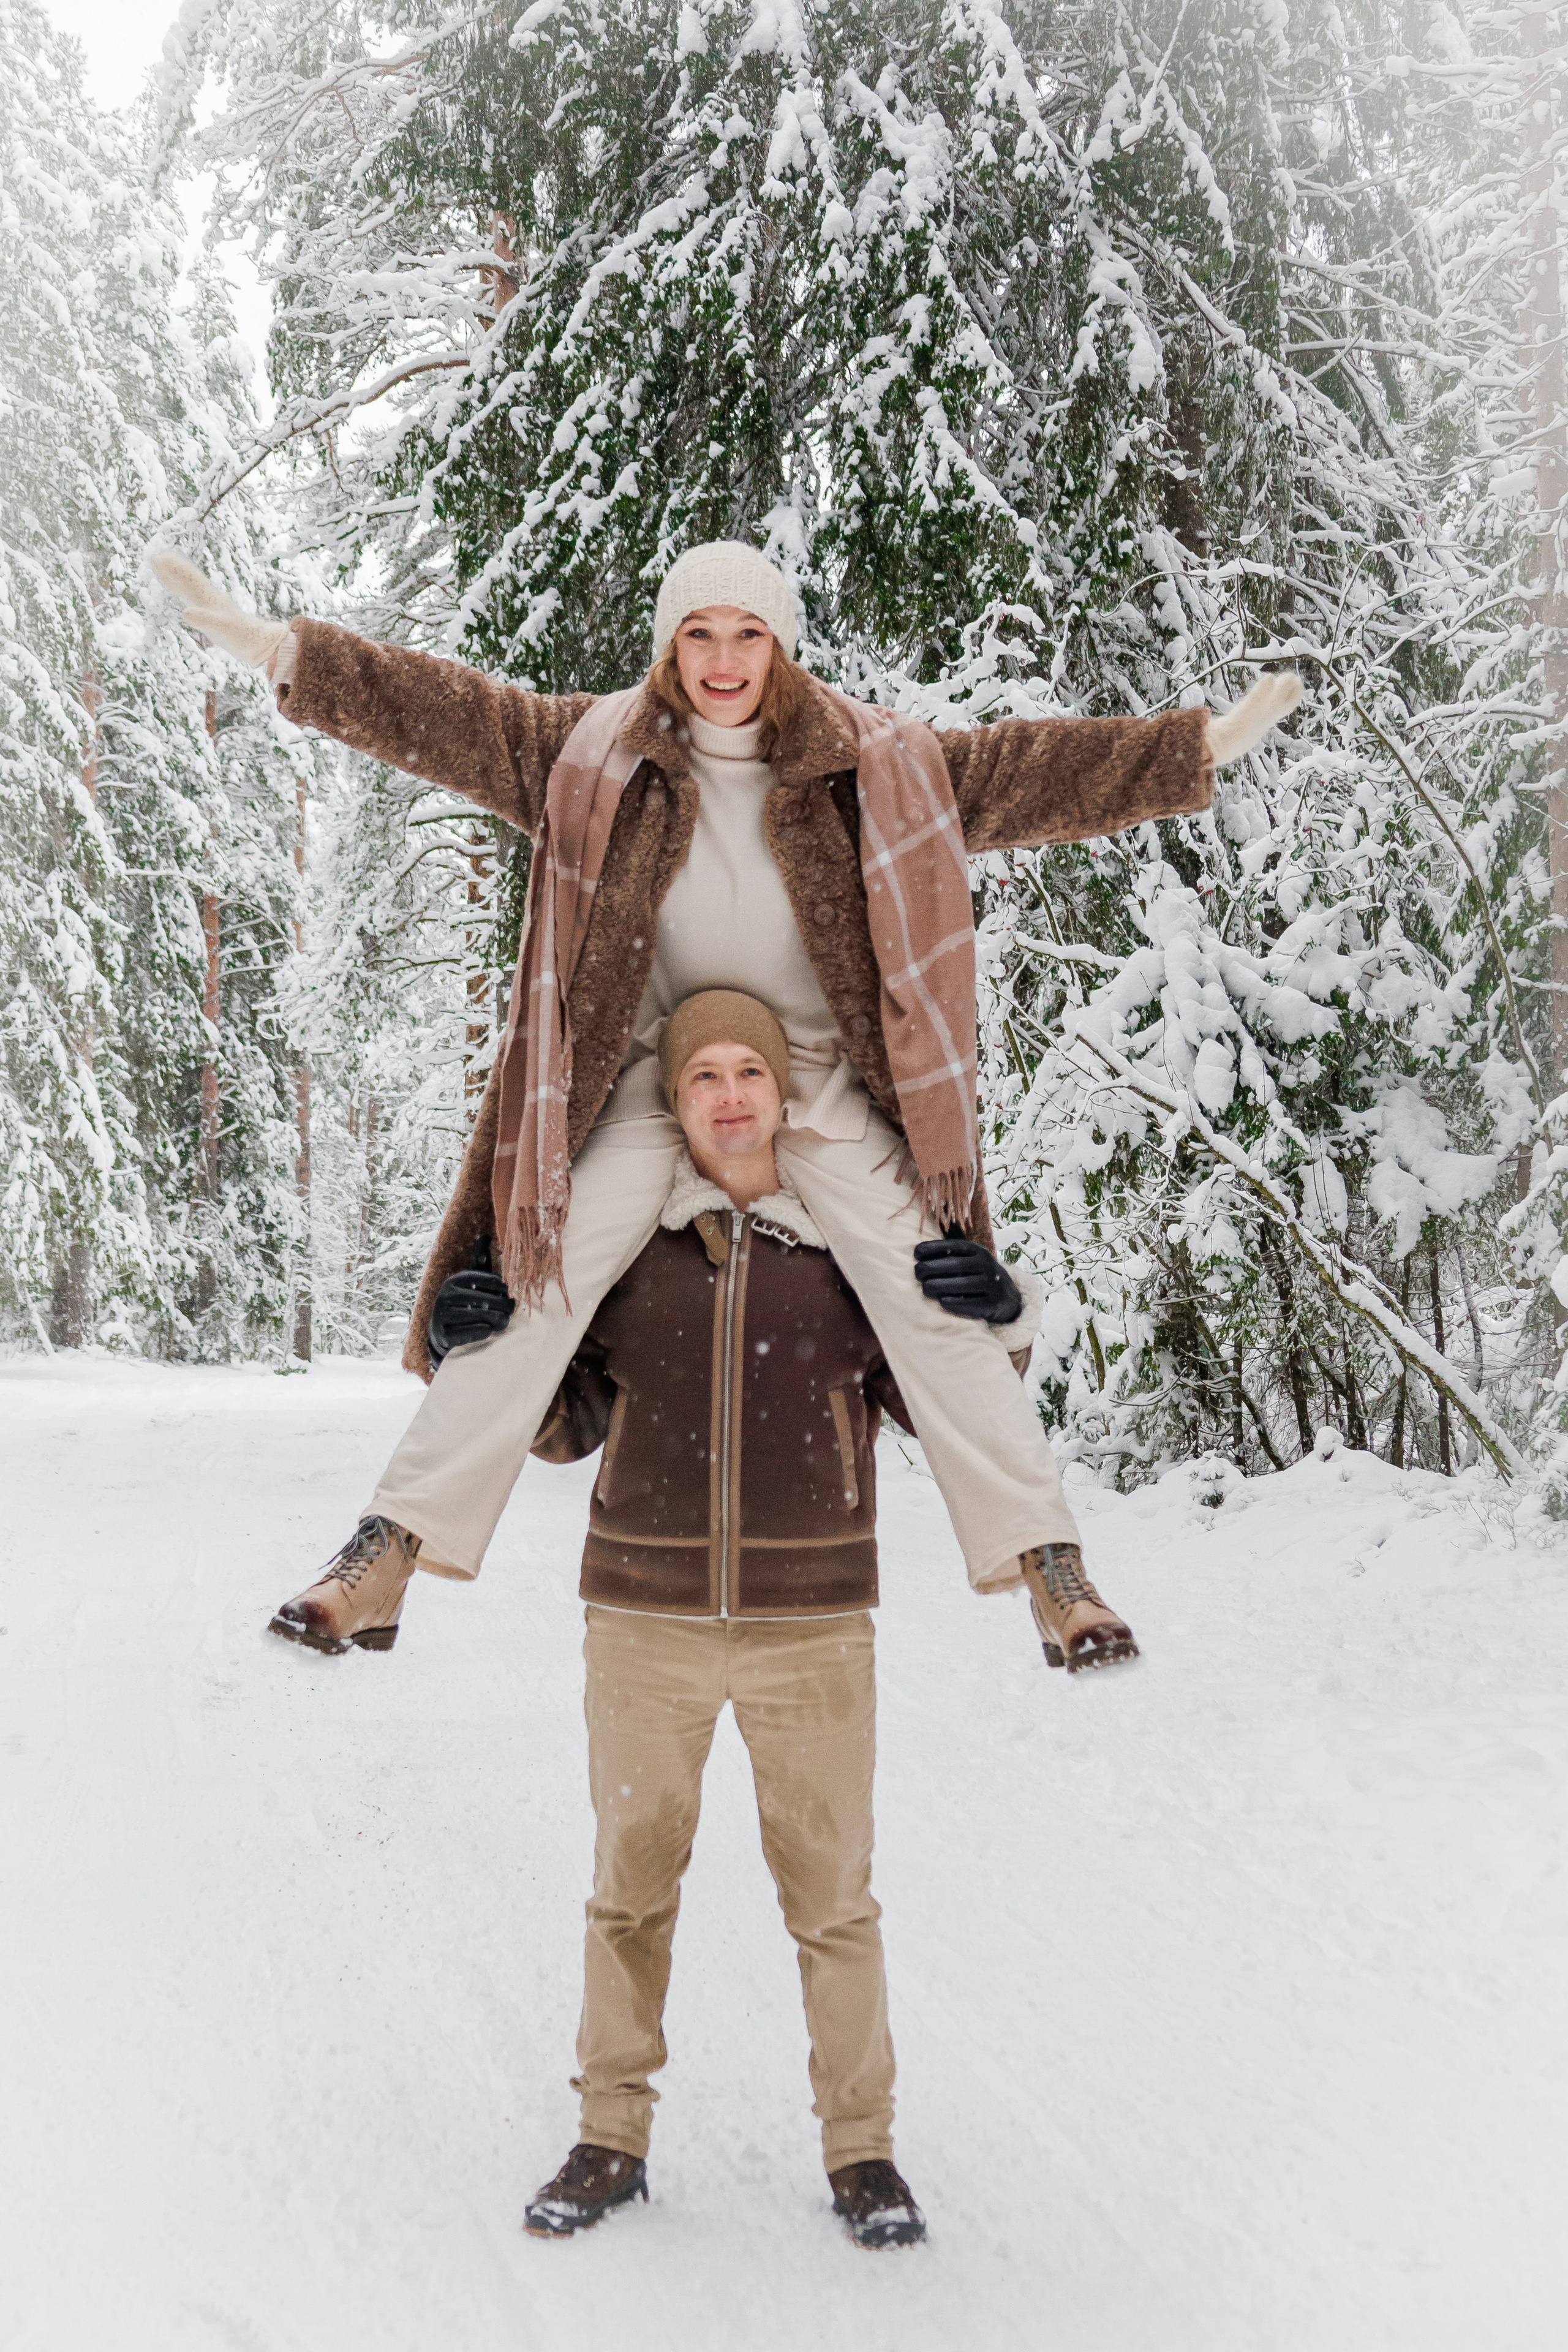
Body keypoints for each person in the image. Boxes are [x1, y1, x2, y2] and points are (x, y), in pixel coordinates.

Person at [150, 540, 1298, 1664]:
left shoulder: (875, 768)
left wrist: (1201, 744)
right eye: (698, 633)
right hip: (655, 1080)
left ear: (783, 649)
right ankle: (388, 1549)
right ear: (668, 646)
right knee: (534, 1284)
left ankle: (1050, 1565)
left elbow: (1034, 772)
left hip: (815, 1082)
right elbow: (440, 711)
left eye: (748, 633)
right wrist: (282, 651)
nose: (723, 658)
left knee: (932, 1292)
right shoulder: (586, 755)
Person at [519, 990, 937, 2245]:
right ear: (677, 1102)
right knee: (628, 1894)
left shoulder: (849, 1246)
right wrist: (477, 1343)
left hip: (814, 1626)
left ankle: (861, 2153)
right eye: (703, 1072)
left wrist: (975, 1302)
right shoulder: (624, 1249)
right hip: (641, 1622)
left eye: (750, 1066)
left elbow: (950, 1402)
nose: (731, 1092)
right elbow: (557, 1426)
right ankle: (608, 2138)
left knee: (832, 1903)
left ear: (782, 1088)